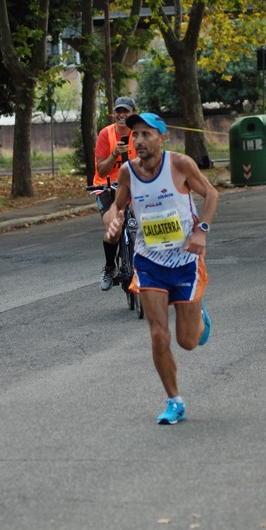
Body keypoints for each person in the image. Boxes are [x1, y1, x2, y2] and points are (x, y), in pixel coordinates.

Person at [105, 112, 219, 424]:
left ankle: (198, 314)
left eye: (145, 134)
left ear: (161, 136)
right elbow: (117, 205)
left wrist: (201, 230)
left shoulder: (180, 164)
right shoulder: (127, 172)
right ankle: (174, 400)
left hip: (185, 261)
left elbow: (211, 193)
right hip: (149, 261)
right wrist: (113, 223)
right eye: (134, 136)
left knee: (188, 341)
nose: (138, 141)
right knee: (158, 334)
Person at [93, 97, 137, 291]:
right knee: (114, 229)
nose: (122, 115)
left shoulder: (141, 134)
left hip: (135, 186)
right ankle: (109, 267)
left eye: (126, 111)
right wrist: (114, 154)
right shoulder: (106, 134)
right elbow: (101, 171)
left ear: (134, 113)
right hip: (107, 186)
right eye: (118, 111)